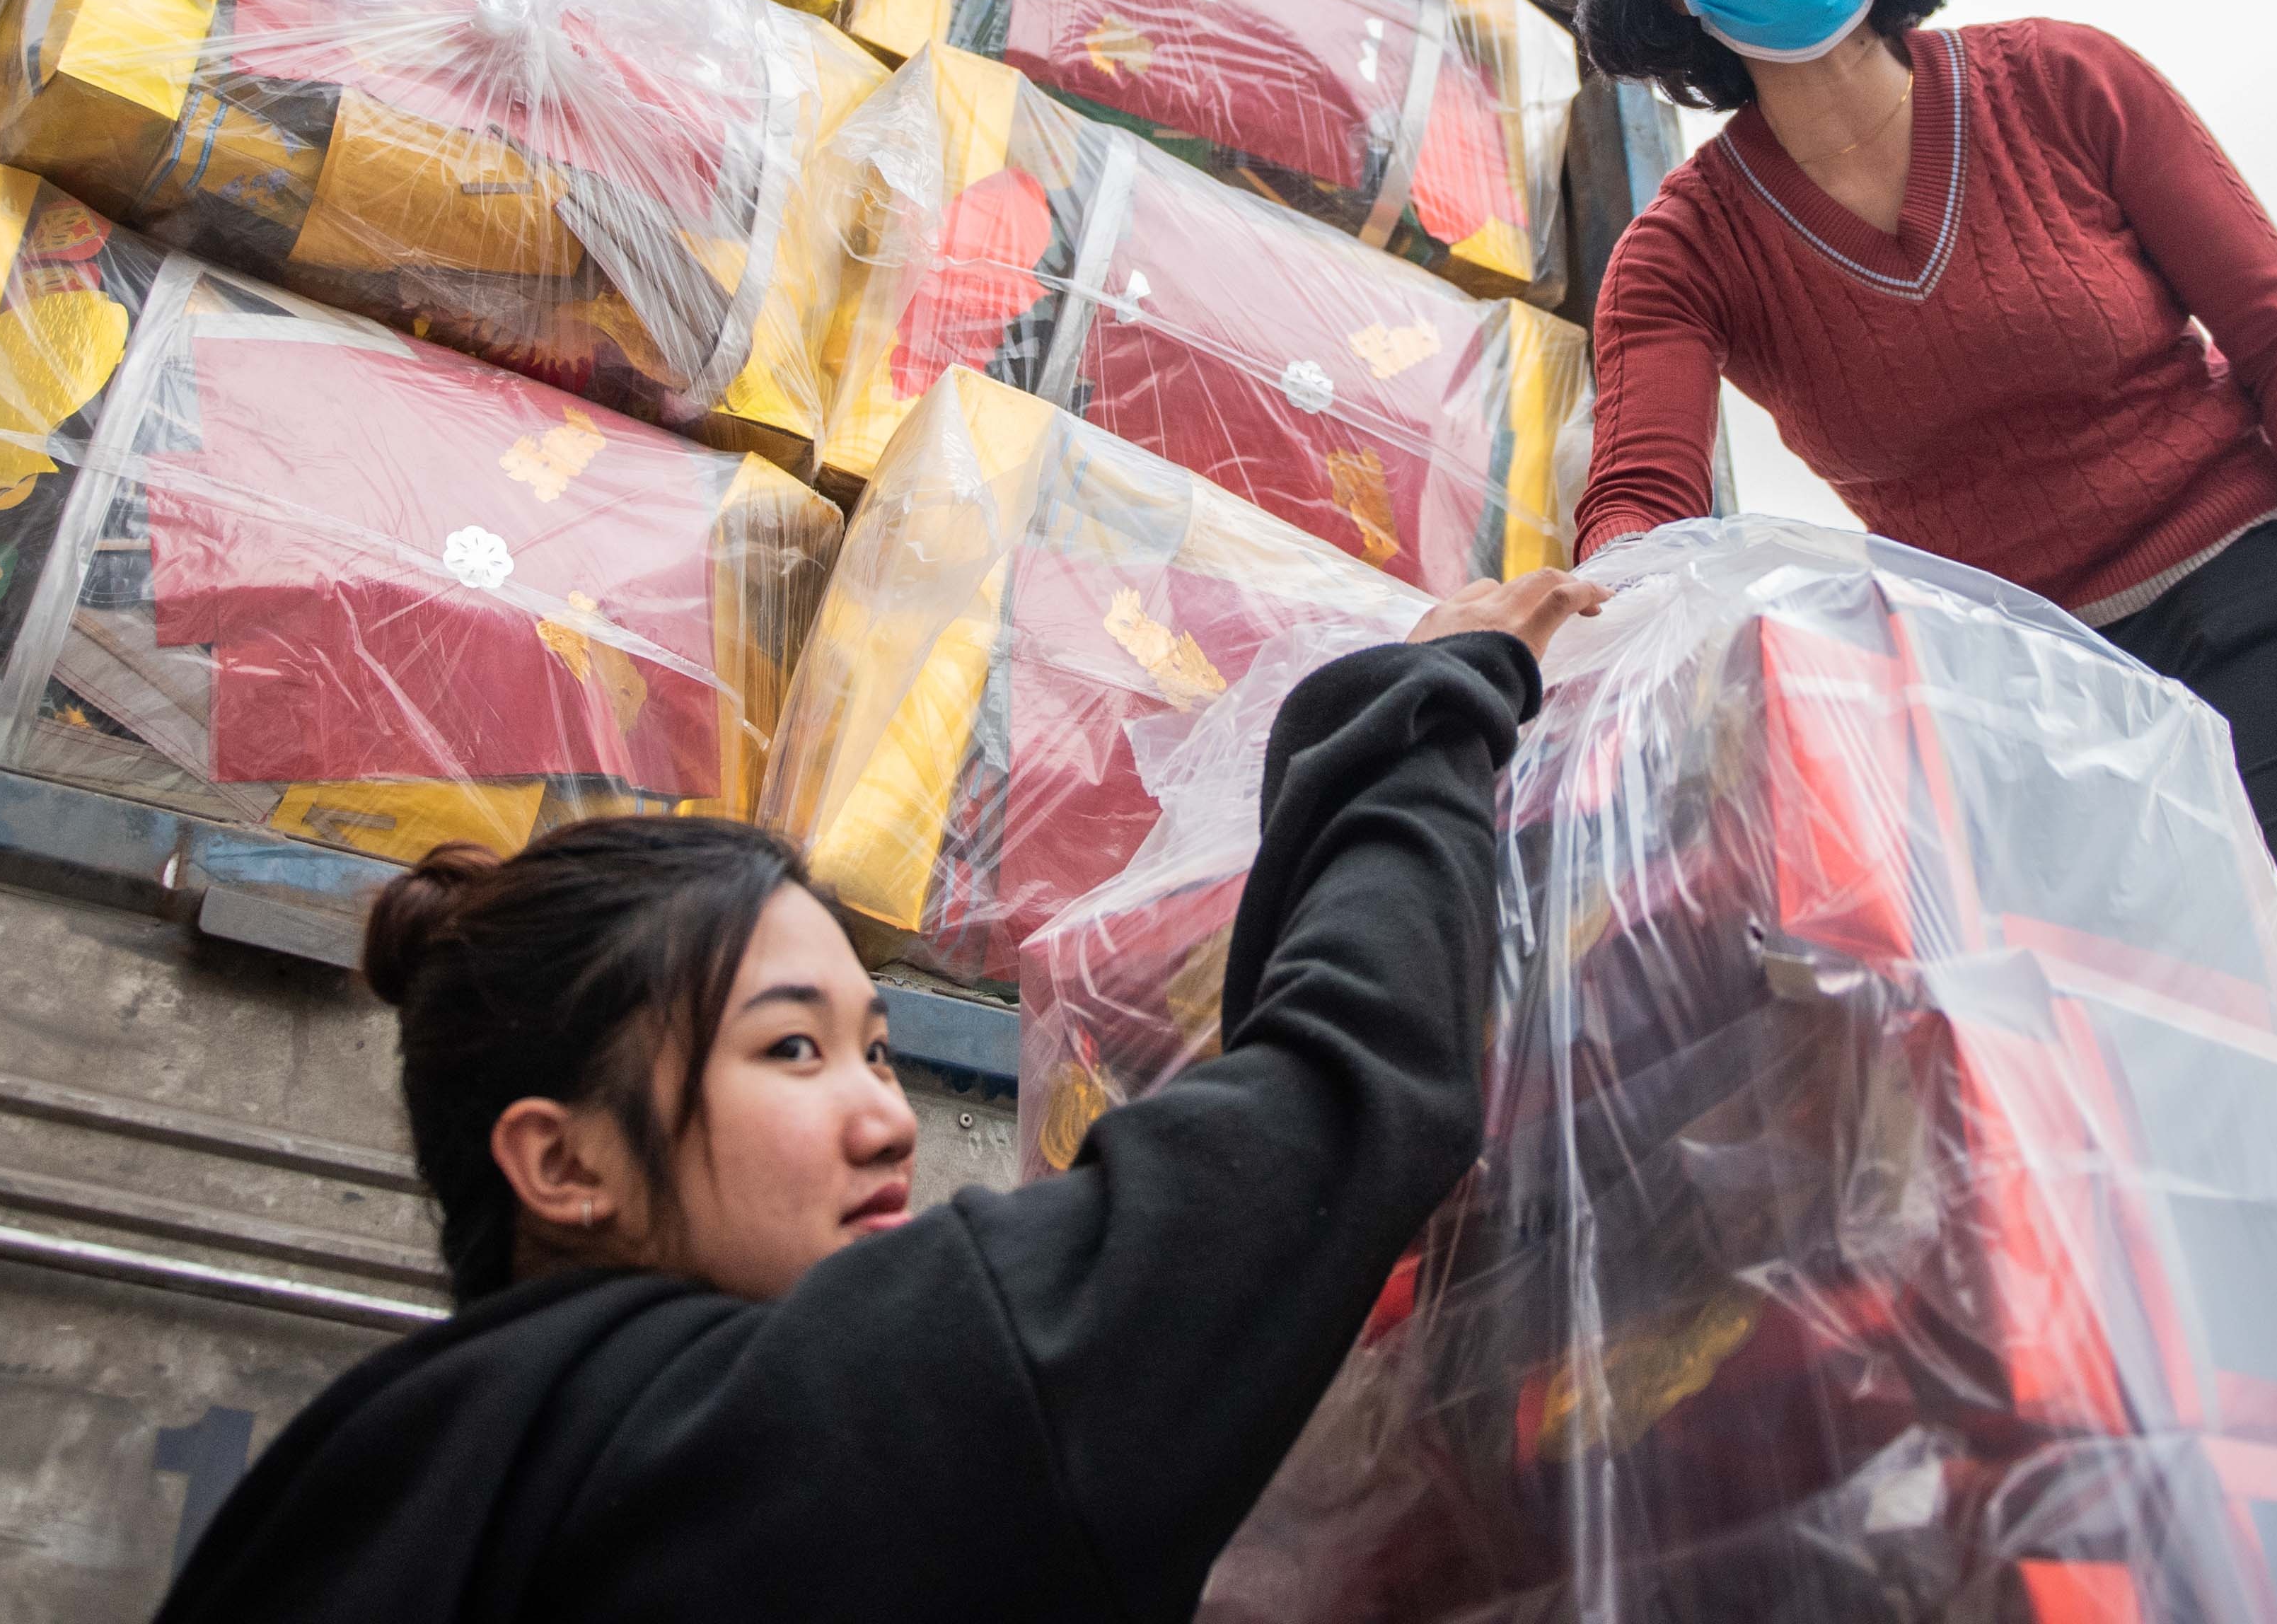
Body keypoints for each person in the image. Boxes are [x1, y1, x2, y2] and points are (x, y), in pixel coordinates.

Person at [153, 565, 1608, 1624]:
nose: (889, 1118)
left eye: (876, 1049)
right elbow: (1344, 1099)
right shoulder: (809, 1421)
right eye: (790, 1050)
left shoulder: (378, 1483)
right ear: (562, 1162)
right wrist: (1432, 702)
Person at [1568, 0, 2277, 1221]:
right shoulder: (1684, 252)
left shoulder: (2062, 83)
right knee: (2133, 1121)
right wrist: (1568, 624)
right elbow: (1645, 502)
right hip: (2026, 708)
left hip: (2259, 619)